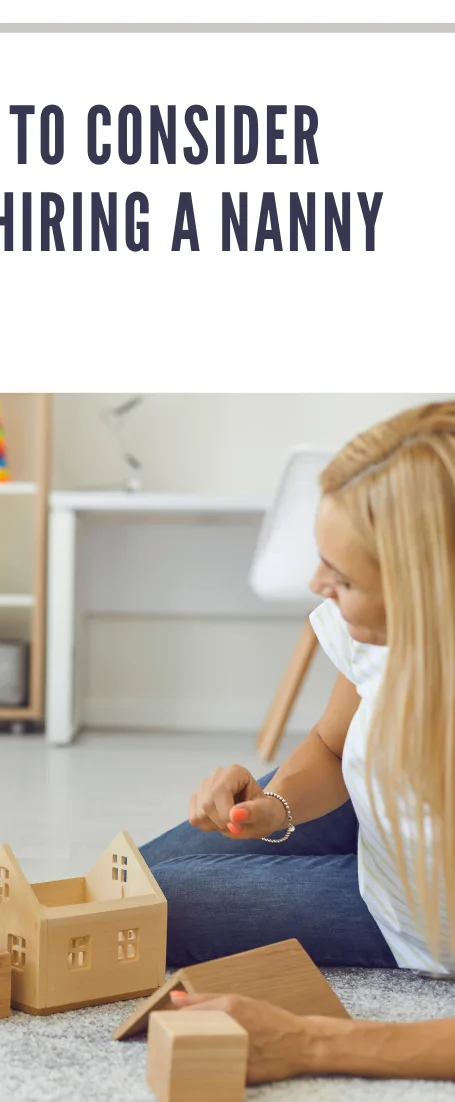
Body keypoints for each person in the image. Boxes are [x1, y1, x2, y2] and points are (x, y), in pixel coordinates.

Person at [140, 400, 455, 1082]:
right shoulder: (377, 634)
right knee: (125, 895)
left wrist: (309, 1044)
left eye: (340, 580)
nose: (316, 587)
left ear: (431, 593)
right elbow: (333, 746)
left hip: (406, 915)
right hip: (384, 830)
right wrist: (272, 807)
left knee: (149, 906)